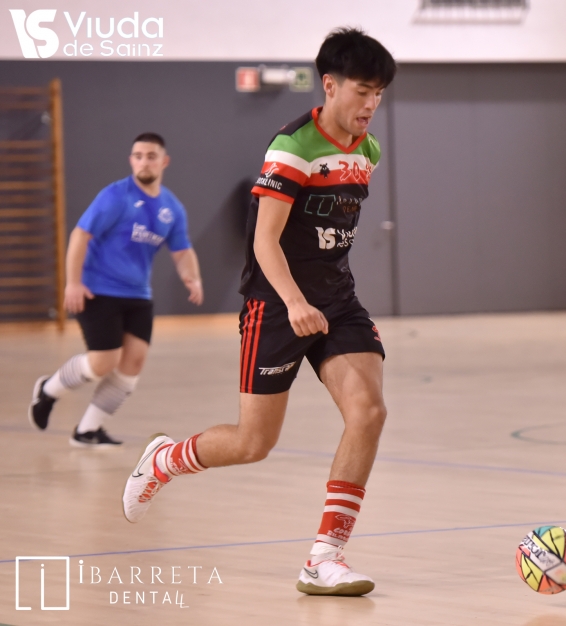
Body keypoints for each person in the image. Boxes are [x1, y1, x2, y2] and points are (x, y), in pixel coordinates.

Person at [122, 28, 395, 598]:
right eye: (362, 91)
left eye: (379, 93)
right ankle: (165, 460)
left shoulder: (367, 150)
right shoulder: (293, 148)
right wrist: (294, 302)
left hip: (337, 301)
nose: (371, 103)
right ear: (330, 85)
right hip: (276, 305)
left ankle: (324, 557)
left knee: (369, 412)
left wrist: (321, 297)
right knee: (254, 443)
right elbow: (264, 240)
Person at [28, 133, 203, 446]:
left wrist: (192, 277)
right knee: (103, 363)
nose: (144, 162)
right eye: (138, 156)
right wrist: (73, 283)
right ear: (131, 160)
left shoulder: (172, 208)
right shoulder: (115, 196)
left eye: (151, 156)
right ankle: (48, 390)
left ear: (164, 162)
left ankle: (87, 431)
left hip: (138, 295)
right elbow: (80, 236)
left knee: (132, 363)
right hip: (98, 290)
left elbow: (181, 250)